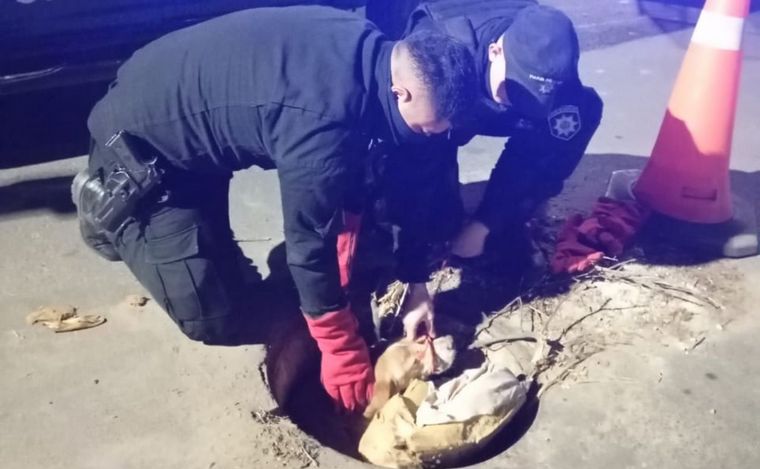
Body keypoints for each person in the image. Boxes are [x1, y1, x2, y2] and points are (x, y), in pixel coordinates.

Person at [71, 6, 476, 412]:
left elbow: (354, 187)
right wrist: (340, 347)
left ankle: (194, 254)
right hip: (147, 153)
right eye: (430, 126)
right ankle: (106, 217)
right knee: (210, 316)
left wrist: (416, 282)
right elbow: (307, 240)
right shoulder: (322, 123)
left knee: (238, 272)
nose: (435, 134)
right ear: (401, 92)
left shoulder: (368, 56)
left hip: (198, 127)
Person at [367, 0, 604, 324]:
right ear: (496, 51)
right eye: (514, 92)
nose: (519, 105)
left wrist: (486, 223)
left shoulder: (557, 78)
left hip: (493, 91)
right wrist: (415, 275)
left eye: (533, 100)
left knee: (515, 208)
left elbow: (537, 161)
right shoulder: (442, 52)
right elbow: (412, 162)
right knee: (426, 205)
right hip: (458, 89)